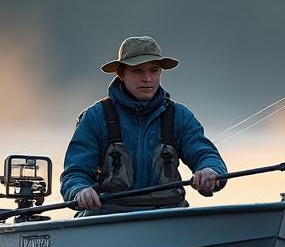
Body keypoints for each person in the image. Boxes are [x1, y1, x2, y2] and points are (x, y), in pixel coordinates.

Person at [60, 36, 226, 214]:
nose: (147, 78)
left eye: (154, 70)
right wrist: (80, 190)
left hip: (169, 216)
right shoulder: (95, 117)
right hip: (108, 217)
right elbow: (75, 173)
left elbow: (205, 154)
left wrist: (209, 170)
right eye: (138, 71)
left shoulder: (180, 116)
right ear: (121, 74)